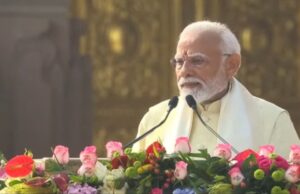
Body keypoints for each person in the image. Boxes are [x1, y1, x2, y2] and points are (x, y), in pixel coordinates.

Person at [132, 20, 299, 157]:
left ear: (231, 65)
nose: (184, 71)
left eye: (197, 61)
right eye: (179, 62)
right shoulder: (156, 118)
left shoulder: (272, 120)